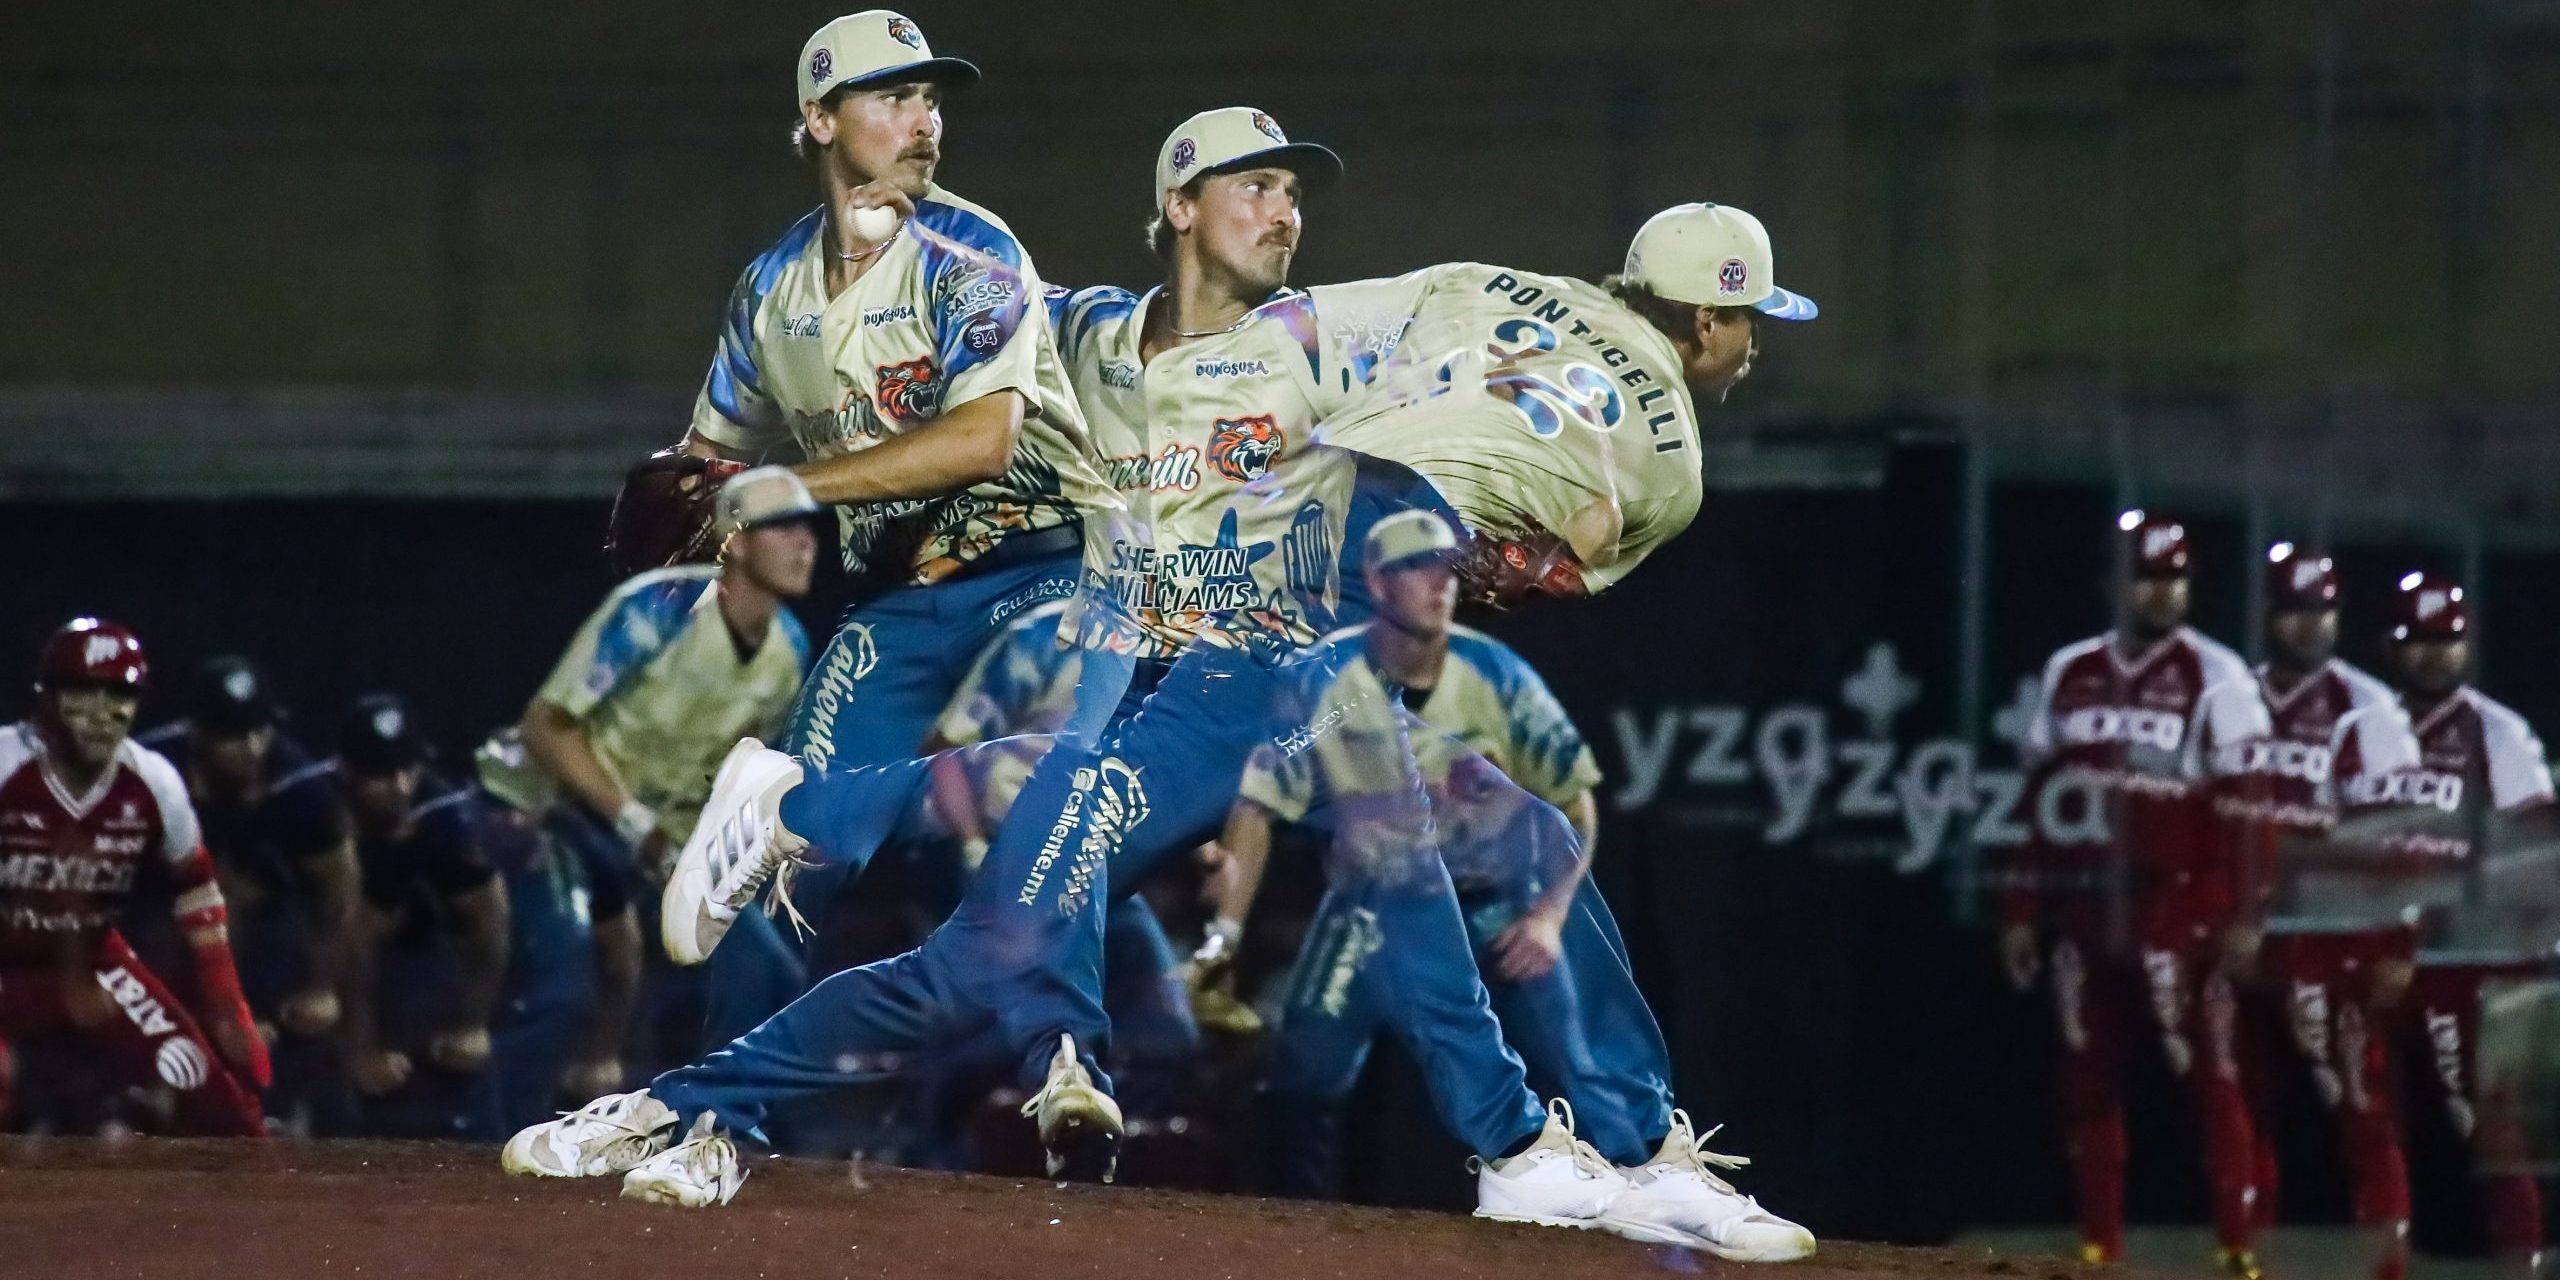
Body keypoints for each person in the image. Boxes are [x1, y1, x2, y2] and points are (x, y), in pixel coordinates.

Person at [534, 108, 1813, 1221]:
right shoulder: (1089, 341)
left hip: (1233, 659)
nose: (1285, 210)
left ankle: (1532, 1142)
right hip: (1119, 679)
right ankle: (711, 1023)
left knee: (1447, 831)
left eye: (1295, 189)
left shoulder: (1321, 367)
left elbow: (1439, 444)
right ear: (1179, 205)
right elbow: (961, 376)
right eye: (1255, 183)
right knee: (996, 957)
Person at [657, 10, 1116, 1051]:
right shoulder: (770, 290)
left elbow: (983, 440)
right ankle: (722, 1102)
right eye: (890, 98)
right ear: (819, 119)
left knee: (1054, 783)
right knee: (777, 835)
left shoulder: (969, 246)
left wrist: (784, 484)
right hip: (900, 600)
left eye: (929, 99)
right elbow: (707, 457)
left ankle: (1066, 1067)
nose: (922, 122)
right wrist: (685, 498)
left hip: (1043, 570)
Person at [1206, 510, 1811, 1261]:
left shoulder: (1492, 672)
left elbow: (1574, 804)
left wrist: (1551, 915)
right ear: (1377, 582)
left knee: (1536, 856)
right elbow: (1260, 806)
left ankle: (1639, 1150)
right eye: (1416, 567)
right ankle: (1293, 1241)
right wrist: (1222, 935)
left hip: (1490, 897)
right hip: (1374, 897)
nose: (1439, 583)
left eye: (1444, 567)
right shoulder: (1332, 673)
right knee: (1306, 1070)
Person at [1998, 513, 2273, 1278]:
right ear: (2113, 584)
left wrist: (2246, 912)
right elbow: (2038, 801)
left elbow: (2251, 808)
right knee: (2087, 1077)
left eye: (2174, 577)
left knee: (2210, 1075)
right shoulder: (2071, 670)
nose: (2162, 593)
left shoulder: (2218, 675)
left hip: (2180, 908)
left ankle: (2237, 1249)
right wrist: (2021, 907)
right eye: (2147, 578)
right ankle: (2099, 1249)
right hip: (2086, 904)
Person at [478, 465, 820, 1071]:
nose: (805, 543)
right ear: (735, 540)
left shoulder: (789, 648)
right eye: (782, 527)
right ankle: (485, 1140)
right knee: (564, 983)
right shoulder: (661, 609)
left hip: (660, 843)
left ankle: (715, 1123)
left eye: (809, 530)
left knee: (769, 971)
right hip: (558, 813)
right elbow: (548, 725)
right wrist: (635, 823)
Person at [2309, 573, 2557, 1277]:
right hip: (2373, 953)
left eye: (2446, 641)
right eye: (2419, 641)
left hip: (2469, 959)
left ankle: (2522, 1269)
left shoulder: (2497, 733)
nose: (2433, 656)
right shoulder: (2358, 731)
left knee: (2491, 1127)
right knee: (2367, 1114)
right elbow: (2336, 844)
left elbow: (2530, 852)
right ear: (2392, 646)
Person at [0, 618, 267, 1136]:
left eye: (118, 692)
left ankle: (275, 1217)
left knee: (223, 1107)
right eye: (84, 691)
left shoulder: (154, 783)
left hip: (97, 962)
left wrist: (226, 1004)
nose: (103, 712)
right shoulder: (4, 765)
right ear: (45, 697)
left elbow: (194, 888)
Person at [2233, 545, 2408, 1279]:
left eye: (2322, 610)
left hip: (2334, 939)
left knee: (2359, 1107)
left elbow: (2399, 837)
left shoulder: (2368, 706)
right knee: (2243, 1106)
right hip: (2240, 937)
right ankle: (2242, 1260)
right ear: (2273, 616)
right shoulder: (2231, 696)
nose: (2309, 625)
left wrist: (2398, 938)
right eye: (2297, 610)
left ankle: (2389, 1268)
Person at [139, 655, 358, 1132]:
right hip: (161, 935)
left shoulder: (300, 785)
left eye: (259, 731)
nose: (252, 747)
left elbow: (341, 893)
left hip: (268, 944)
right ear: (196, 733)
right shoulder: (150, 774)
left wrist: (321, 986)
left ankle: (284, 1116)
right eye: (233, 735)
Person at [334, 694, 510, 1136]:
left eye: (406, 768)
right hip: (320, 977)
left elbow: (491, 923)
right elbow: (344, 934)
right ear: (349, 771)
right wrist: (359, 1048)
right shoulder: (319, 807)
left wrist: (472, 1023)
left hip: (420, 965)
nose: (399, 785)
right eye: (380, 772)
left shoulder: (448, 820)